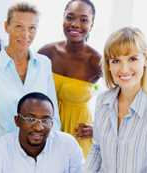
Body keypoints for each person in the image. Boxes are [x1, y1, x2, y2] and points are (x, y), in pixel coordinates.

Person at [0, 2, 60, 143]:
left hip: (39, 152)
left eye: (32, 28)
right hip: (1, 155)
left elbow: (54, 117)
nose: (26, 34)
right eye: (19, 26)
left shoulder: (44, 64)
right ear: (6, 26)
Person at [38, 0, 101, 157]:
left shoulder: (97, 61)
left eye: (84, 19)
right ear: (63, 18)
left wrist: (98, 128)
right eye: (70, 17)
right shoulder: (46, 52)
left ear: (92, 25)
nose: (75, 24)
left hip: (78, 135)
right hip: (44, 132)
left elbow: (119, 99)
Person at [84, 27, 147, 172]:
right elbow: (97, 149)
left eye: (132, 59)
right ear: (108, 65)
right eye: (116, 61)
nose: (124, 69)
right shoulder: (102, 101)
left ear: (146, 59)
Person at [0, 92, 83, 173]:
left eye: (45, 120)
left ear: (52, 123)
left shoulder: (68, 145)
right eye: (30, 119)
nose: (38, 127)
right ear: (17, 120)